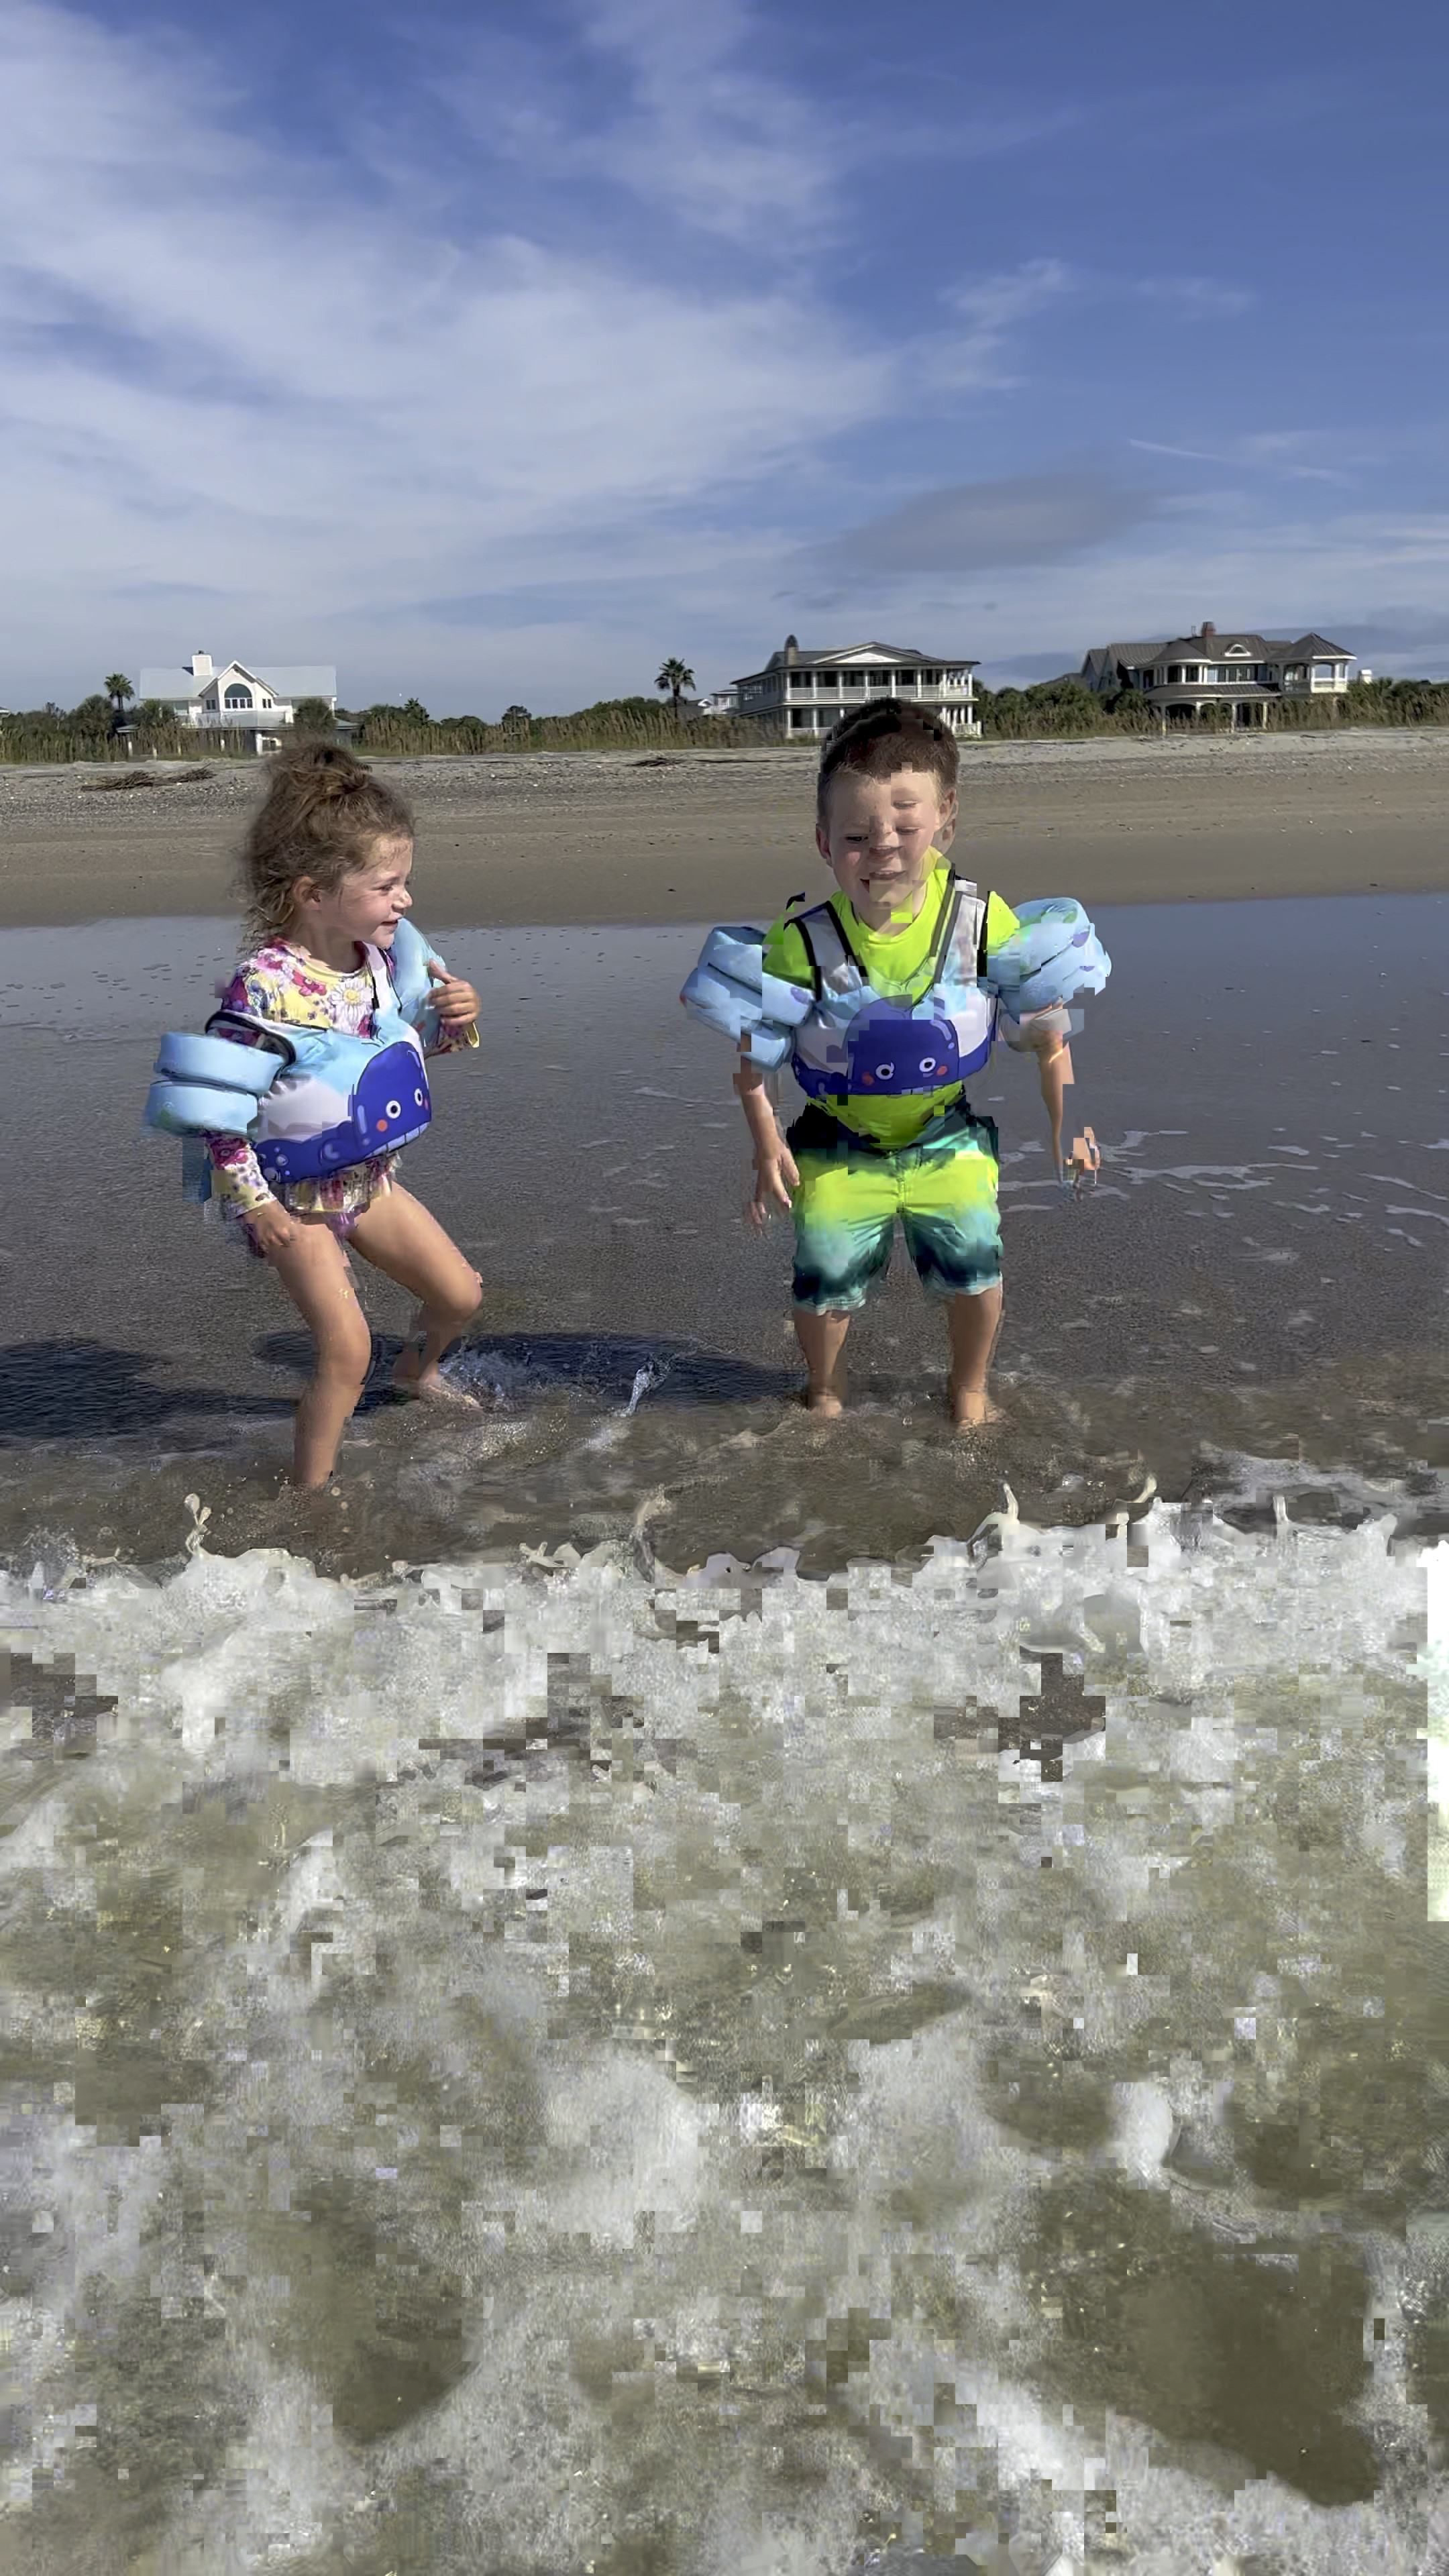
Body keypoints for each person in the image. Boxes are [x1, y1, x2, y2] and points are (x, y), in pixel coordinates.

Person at [680, 700, 1110, 1428]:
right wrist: (766, 1143)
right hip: (838, 1141)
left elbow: (1048, 1030)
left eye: (905, 828)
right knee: (824, 1278)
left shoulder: (982, 921)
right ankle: (824, 1386)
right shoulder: (798, 943)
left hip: (946, 1135)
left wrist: (1068, 1119)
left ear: (945, 821)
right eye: (856, 836)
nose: (882, 849)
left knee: (977, 1267)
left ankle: (969, 1387)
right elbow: (755, 1059)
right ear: (823, 842)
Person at [176, 743, 482, 1489]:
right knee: (345, 1350)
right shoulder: (265, 990)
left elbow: (384, 1068)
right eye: (387, 885)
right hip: (289, 1197)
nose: (405, 901)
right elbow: (222, 1114)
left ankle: (414, 1374)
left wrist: (455, 1020)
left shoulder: (376, 960)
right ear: (314, 893)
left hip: (368, 1179)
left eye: (405, 882)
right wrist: (256, 1210)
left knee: (459, 1296)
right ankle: (312, 1494)